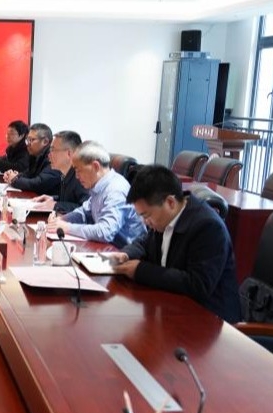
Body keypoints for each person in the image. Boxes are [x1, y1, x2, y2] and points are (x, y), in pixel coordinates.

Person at [111, 164, 241, 322]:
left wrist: (140, 270)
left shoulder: (208, 227)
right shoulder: (164, 218)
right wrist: (126, 254)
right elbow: (145, 242)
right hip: (173, 308)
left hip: (210, 320)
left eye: (146, 215)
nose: (145, 222)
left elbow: (197, 285)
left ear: (170, 202)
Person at [47, 140, 145, 247]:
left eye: (78, 170)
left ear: (95, 166)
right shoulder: (99, 185)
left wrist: (67, 227)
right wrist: (62, 219)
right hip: (107, 248)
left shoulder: (115, 190)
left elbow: (105, 232)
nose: (76, 176)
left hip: (124, 252)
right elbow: (84, 212)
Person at [31, 130, 88, 214]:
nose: (49, 155)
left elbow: (86, 209)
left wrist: (56, 205)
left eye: (53, 150)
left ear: (69, 153)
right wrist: (52, 199)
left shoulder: (82, 176)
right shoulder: (65, 173)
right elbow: (70, 200)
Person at [1, 123, 62, 195]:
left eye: (31, 140)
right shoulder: (36, 155)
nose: (28, 144)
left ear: (45, 141)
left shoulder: (53, 157)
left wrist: (14, 180)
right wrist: (15, 176)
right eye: (27, 140)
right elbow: (29, 174)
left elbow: (39, 184)